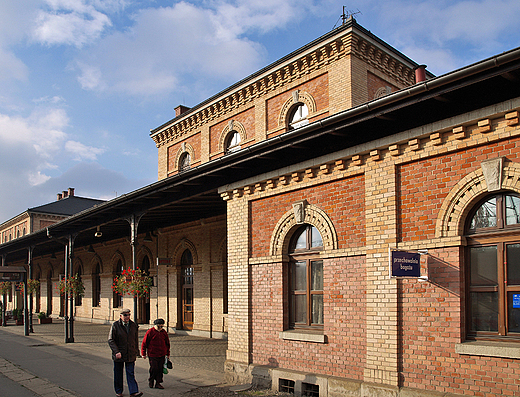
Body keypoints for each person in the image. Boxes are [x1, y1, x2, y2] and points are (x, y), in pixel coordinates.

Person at [108, 308, 143, 397]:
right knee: (118, 374)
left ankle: (134, 391)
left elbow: (135, 339)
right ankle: (119, 391)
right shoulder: (115, 325)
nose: (127, 317)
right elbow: (111, 340)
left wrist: (137, 351)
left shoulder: (133, 325)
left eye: (128, 315)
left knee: (130, 373)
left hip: (130, 352)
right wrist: (116, 352)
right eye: (125, 315)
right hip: (119, 353)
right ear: (120, 316)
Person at [141, 318, 170, 389]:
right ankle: (151, 380)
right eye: (158, 326)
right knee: (154, 368)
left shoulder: (164, 332)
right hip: (152, 354)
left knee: (160, 369)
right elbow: (144, 343)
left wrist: (168, 353)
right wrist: (143, 353)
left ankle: (158, 382)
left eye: (161, 326)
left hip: (162, 354)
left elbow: (167, 343)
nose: (160, 328)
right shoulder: (150, 332)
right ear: (155, 325)